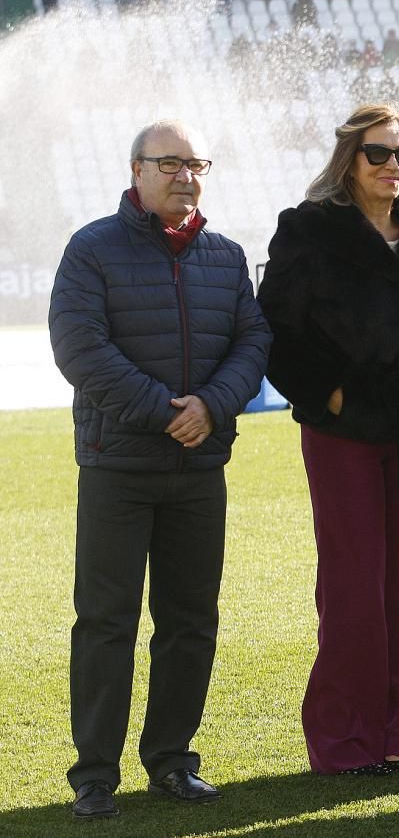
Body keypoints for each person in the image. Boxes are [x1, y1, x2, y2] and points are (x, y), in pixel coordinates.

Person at [49, 120, 271, 819]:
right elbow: (79, 346)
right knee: (105, 622)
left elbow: (253, 338)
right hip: (118, 464)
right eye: (169, 162)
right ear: (136, 170)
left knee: (189, 621)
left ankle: (172, 760)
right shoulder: (92, 249)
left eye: (196, 162)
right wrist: (162, 410)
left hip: (199, 467)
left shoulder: (225, 255)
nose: (185, 174)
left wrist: (210, 405)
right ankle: (94, 775)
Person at [257, 103, 399, 776]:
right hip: (342, 429)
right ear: (350, 158)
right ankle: (345, 743)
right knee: (353, 588)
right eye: (378, 153)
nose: (394, 166)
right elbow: (276, 333)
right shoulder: (308, 228)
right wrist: (329, 395)